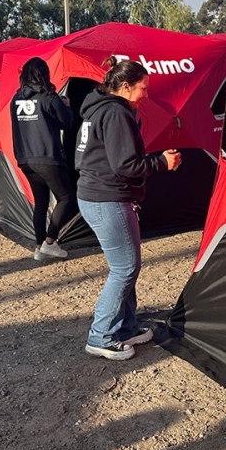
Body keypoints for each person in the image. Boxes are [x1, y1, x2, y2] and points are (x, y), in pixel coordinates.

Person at [75, 57, 182, 360]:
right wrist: (162, 162)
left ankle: (124, 326)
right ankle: (102, 336)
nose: (146, 94)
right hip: (107, 197)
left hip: (99, 194)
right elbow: (126, 165)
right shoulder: (115, 113)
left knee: (127, 266)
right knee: (124, 268)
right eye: (143, 89)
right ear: (125, 87)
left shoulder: (99, 108)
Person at [10, 57, 76, 261]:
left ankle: (39, 247)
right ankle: (50, 241)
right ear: (44, 74)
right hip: (47, 156)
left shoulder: (16, 99)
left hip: (25, 158)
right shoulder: (48, 96)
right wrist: (67, 106)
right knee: (67, 198)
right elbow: (66, 123)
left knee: (40, 203)